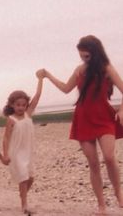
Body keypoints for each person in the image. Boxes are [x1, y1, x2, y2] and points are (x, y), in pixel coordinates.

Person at [37, 35, 123, 214]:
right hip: (83, 119)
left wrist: (121, 110)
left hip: (104, 117)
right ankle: (101, 204)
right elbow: (65, 88)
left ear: (95, 52)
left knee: (108, 156)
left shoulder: (106, 68)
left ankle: (118, 193)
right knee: (93, 163)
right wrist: (47, 75)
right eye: (81, 56)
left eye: (87, 56)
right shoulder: (79, 70)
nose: (84, 59)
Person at [2, 73, 43, 215]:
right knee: (23, 176)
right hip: (17, 152)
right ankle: (24, 205)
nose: (21, 107)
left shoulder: (28, 114)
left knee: (31, 178)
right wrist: (5, 155)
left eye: (23, 105)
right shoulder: (11, 119)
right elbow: (6, 138)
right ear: (12, 105)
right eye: (18, 105)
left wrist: (40, 80)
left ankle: (22, 195)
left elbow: (37, 97)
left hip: (29, 151)